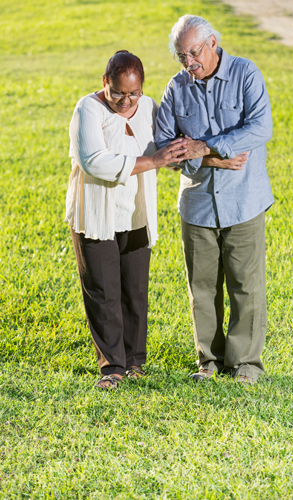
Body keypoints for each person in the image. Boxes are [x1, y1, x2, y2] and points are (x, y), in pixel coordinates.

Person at [155, 15, 274, 384]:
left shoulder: (246, 73)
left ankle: (245, 365)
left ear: (213, 42)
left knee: (245, 286)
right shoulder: (176, 88)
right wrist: (209, 158)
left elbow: (260, 127)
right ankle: (208, 361)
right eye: (181, 56)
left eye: (193, 53)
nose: (189, 63)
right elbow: (163, 145)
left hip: (243, 201)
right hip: (198, 205)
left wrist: (204, 144)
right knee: (202, 289)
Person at [65, 50, 187, 389]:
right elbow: (96, 161)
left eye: (134, 93)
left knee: (135, 290)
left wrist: (183, 155)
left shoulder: (148, 108)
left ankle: (135, 361)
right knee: (104, 292)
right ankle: (112, 367)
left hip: (136, 211)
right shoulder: (88, 109)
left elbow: (167, 146)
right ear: (105, 81)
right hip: (96, 214)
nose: (126, 100)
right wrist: (154, 160)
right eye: (118, 92)